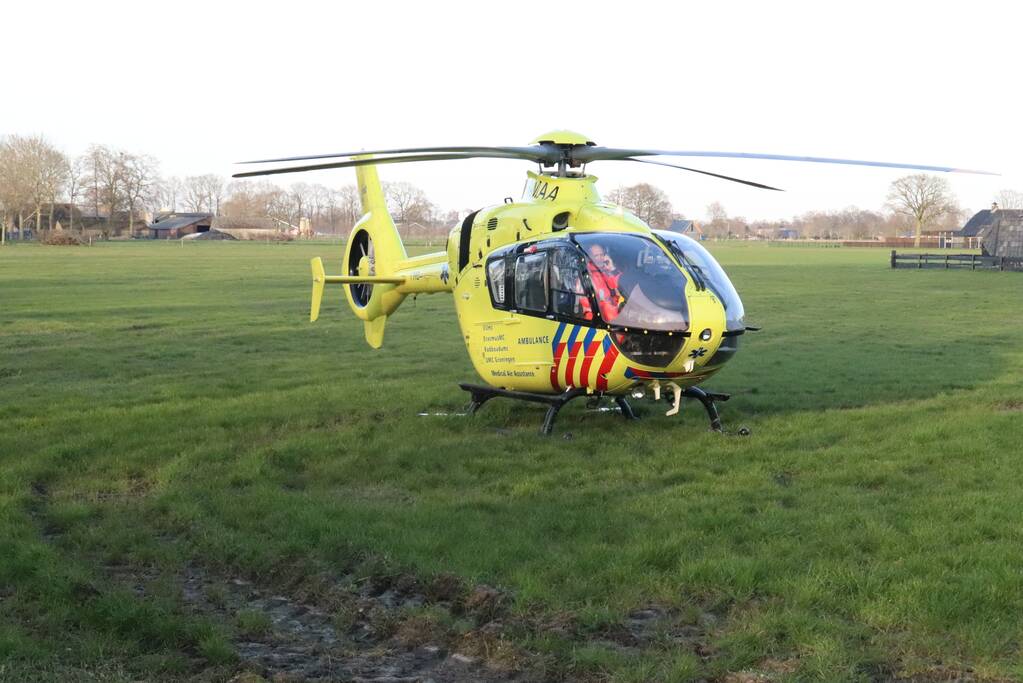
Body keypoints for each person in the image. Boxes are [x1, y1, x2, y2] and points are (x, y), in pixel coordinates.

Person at [581, 243, 626, 322]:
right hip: (603, 320)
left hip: (617, 314)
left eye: (601, 255)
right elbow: (588, 307)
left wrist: (612, 268)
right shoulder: (586, 274)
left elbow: (621, 285)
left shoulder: (605, 270)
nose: (599, 258)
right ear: (590, 257)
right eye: (596, 255)